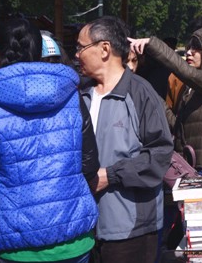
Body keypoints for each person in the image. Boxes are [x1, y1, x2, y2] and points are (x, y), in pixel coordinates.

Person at [0, 18, 99, 263]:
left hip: (16, 244)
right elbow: (90, 164)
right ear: (40, 52)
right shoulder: (70, 93)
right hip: (73, 240)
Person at [76, 16, 173, 263]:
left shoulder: (141, 93)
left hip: (130, 230)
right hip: (84, 229)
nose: (76, 54)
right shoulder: (80, 94)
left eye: (81, 47)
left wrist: (110, 175)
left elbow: (160, 154)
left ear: (104, 49)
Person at [129, 27, 202, 177]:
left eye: (196, 49)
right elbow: (177, 125)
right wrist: (148, 92)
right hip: (191, 165)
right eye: (189, 47)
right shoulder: (191, 88)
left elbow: (185, 72)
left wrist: (152, 44)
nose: (189, 52)